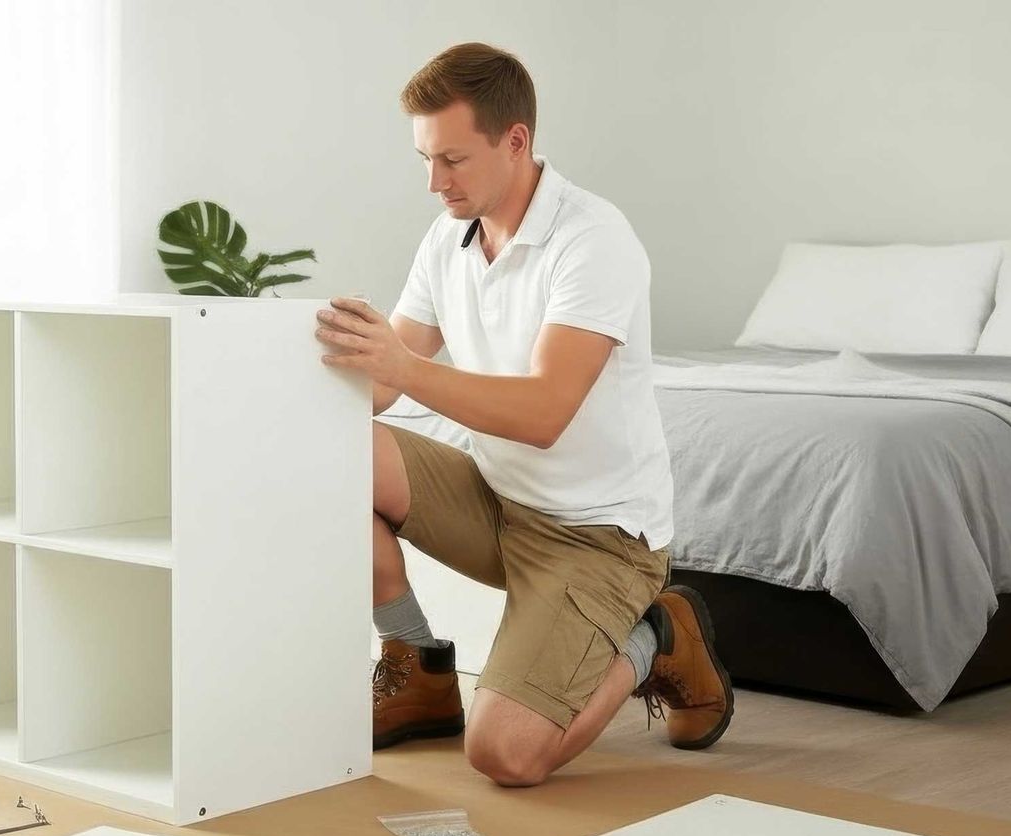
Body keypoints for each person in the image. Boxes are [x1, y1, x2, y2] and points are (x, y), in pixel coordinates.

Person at [314, 42, 733, 788]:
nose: (434, 182)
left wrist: (405, 368)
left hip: (598, 537)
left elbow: (546, 412)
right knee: (329, 447)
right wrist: (301, 369)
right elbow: (383, 388)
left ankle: (658, 636)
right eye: (425, 160)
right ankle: (418, 666)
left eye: (452, 160)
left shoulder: (593, 240)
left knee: (505, 755)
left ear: (516, 141)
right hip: (500, 502)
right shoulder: (449, 237)